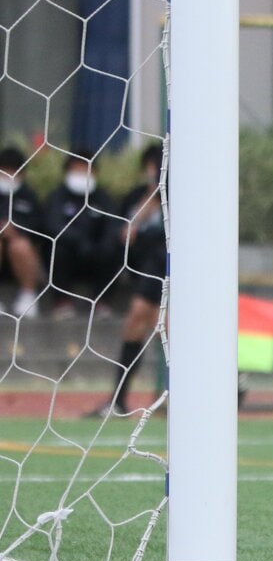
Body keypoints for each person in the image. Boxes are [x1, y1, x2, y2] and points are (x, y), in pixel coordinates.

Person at [87, 144, 165, 417]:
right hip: (151, 264)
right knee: (136, 320)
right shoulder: (138, 197)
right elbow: (123, 232)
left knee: (166, 327)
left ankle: (180, 396)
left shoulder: (184, 194)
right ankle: (118, 400)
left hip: (176, 260)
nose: (153, 173)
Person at [43, 150, 121, 317]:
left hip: (96, 256)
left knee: (114, 249)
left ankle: (102, 301)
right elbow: (53, 224)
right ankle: (62, 301)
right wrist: (78, 241)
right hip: (68, 255)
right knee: (57, 249)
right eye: (77, 170)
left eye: (85, 169)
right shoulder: (57, 197)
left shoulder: (103, 198)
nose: (81, 174)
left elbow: (113, 225)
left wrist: (101, 246)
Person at [0, 145, 46, 318]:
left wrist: (16, 230)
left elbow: (41, 227)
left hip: (22, 260)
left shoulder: (29, 196)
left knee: (21, 246)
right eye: (3, 172)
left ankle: (28, 296)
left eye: (13, 172)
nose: (8, 177)